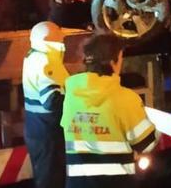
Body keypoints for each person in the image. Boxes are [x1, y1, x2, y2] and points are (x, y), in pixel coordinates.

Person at [61, 35, 158, 187]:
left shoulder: (71, 95)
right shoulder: (125, 98)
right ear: (113, 62)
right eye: (120, 58)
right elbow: (146, 144)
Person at [23, 21, 70, 188]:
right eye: (59, 35)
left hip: (37, 126)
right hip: (48, 130)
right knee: (52, 179)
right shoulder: (46, 61)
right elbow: (51, 100)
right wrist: (77, 104)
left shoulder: (33, 56)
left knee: (45, 177)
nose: (62, 39)